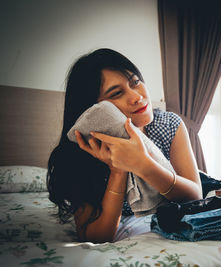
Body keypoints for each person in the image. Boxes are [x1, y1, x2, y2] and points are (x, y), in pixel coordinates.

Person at [47, 48, 202, 243]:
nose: (137, 96)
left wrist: (144, 165)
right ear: (95, 111)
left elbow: (195, 196)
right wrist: (117, 170)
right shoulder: (85, 151)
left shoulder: (169, 125)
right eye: (117, 93)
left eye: (135, 82)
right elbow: (96, 237)